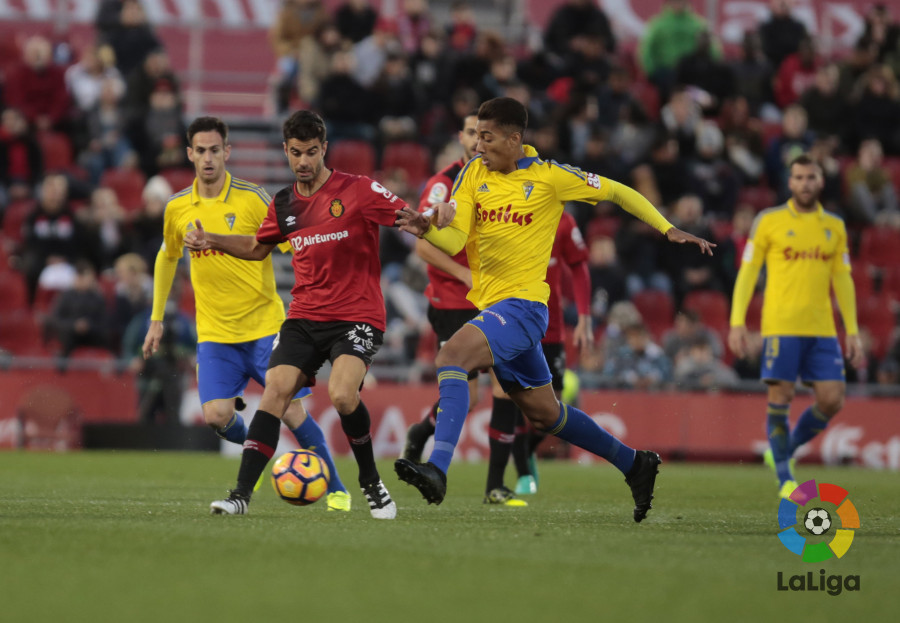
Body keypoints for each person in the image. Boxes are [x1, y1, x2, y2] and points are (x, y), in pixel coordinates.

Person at [394, 97, 715, 522]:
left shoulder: (550, 177)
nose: (478, 146)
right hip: (497, 307)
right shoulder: (473, 174)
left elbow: (616, 190)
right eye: (476, 137)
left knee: (451, 356)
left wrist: (667, 228)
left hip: (525, 307)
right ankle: (635, 463)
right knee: (545, 413)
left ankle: (437, 468)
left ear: (514, 139)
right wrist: (427, 228)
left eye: (487, 137)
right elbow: (455, 240)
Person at [183, 110, 402, 519]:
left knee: (342, 395)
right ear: (285, 150)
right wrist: (211, 238)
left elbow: (408, 217)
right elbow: (256, 247)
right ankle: (240, 496)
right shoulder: (284, 203)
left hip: (356, 314)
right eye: (296, 153)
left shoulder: (357, 189)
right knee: (275, 391)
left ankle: (372, 482)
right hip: (304, 316)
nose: (304, 161)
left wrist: (433, 219)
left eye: (312, 152)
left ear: (324, 149)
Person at [141, 116, 350, 513]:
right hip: (215, 333)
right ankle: (270, 452)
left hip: (264, 326)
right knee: (216, 415)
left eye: (214, 150)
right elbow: (167, 257)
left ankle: (337, 489)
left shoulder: (253, 198)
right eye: (200, 151)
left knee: (291, 410)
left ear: (227, 151)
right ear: (189, 154)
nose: (208, 158)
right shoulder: (177, 207)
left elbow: (296, 245)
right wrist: (156, 319)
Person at [728, 154, 864, 499]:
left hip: (822, 329)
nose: (805, 183)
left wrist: (852, 329)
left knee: (832, 399)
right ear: (790, 182)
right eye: (799, 177)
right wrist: (737, 321)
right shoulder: (768, 221)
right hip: (781, 326)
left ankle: (782, 450)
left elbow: (843, 278)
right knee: (781, 396)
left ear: (821, 181)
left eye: (811, 177)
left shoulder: (834, 226)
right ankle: (785, 478)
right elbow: (748, 271)